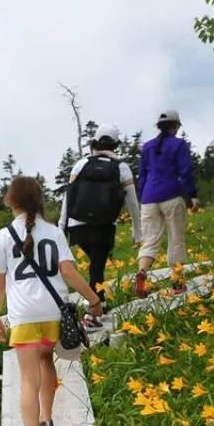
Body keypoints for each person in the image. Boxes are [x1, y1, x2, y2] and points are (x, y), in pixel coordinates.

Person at [0, 175, 104, 426]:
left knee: (28, 379)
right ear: (39, 201)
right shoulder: (54, 232)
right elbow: (68, 272)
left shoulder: (3, 236)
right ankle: (47, 421)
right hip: (54, 311)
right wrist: (93, 299)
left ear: (10, 201)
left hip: (24, 314)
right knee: (46, 361)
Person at [62, 122, 141, 305]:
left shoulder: (81, 164)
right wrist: (137, 230)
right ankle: (97, 307)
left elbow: (69, 197)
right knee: (97, 267)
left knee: (94, 265)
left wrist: (62, 227)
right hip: (104, 226)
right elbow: (132, 203)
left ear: (95, 142)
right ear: (115, 144)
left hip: (77, 225)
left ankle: (95, 303)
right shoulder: (121, 167)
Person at [134, 109, 200, 297]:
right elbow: (185, 171)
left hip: (148, 198)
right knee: (176, 239)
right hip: (171, 194)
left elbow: (142, 176)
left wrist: (142, 197)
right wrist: (192, 195)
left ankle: (142, 273)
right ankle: (177, 283)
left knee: (150, 241)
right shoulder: (179, 145)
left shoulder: (147, 147)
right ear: (175, 126)